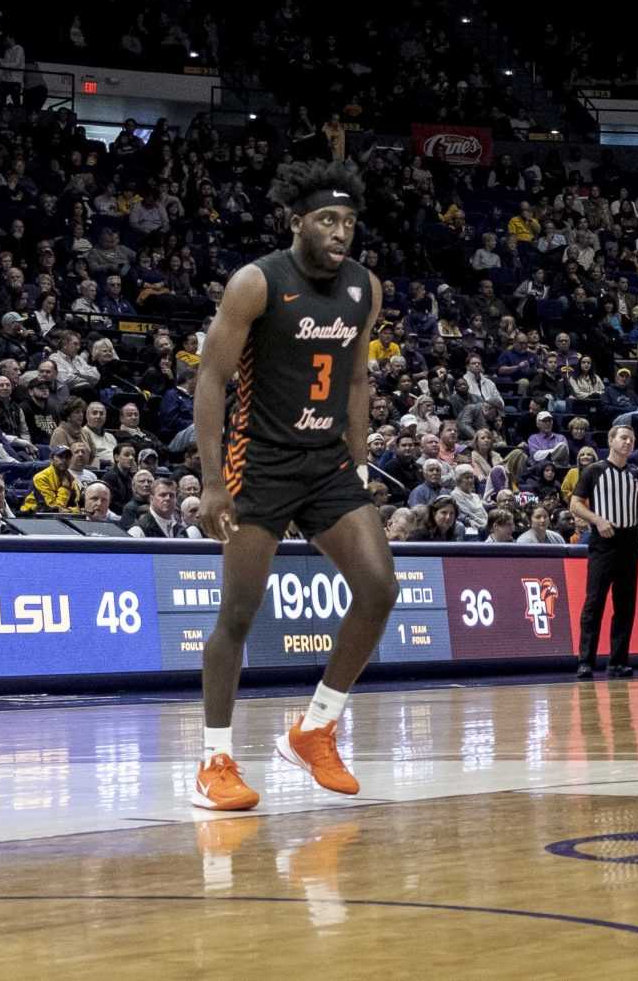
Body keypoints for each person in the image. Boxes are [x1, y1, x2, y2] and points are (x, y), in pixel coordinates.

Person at [188, 162, 393, 813]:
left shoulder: (364, 287)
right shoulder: (257, 283)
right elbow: (210, 380)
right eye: (328, 220)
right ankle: (214, 760)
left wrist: (358, 468)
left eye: (350, 222)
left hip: (327, 463)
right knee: (239, 614)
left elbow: (358, 379)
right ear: (296, 221)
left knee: (380, 584)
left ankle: (315, 727)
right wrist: (214, 482)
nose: (341, 232)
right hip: (262, 464)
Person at [571, 423, 638, 679]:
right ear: (611, 440)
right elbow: (575, 504)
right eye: (624, 438)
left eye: (632, 439)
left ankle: (618, 661)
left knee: (625, 605)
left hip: (629, 541)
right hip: (603, 542)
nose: (628, 443)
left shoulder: (637, 473)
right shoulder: (594, 470)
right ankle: (586, 661)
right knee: (594, 602)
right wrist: (598, 520)